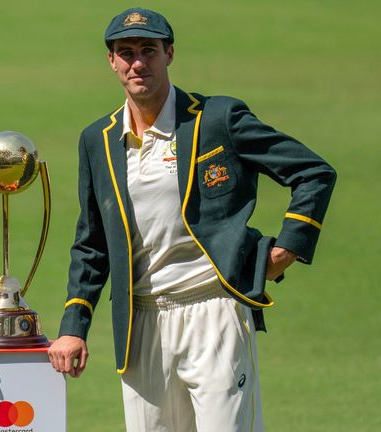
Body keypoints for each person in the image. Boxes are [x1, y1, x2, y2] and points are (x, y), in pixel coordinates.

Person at [47, 8, 336, 431]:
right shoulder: (99, 139)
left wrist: (288, 247)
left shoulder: (218, 118)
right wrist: (74, 326)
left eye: (149, 50)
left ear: (170, 53)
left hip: (213, 310)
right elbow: (92, 242)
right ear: (112, 61)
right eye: (126, 53)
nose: (138, 63)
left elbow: (313, 172)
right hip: (141, 322)